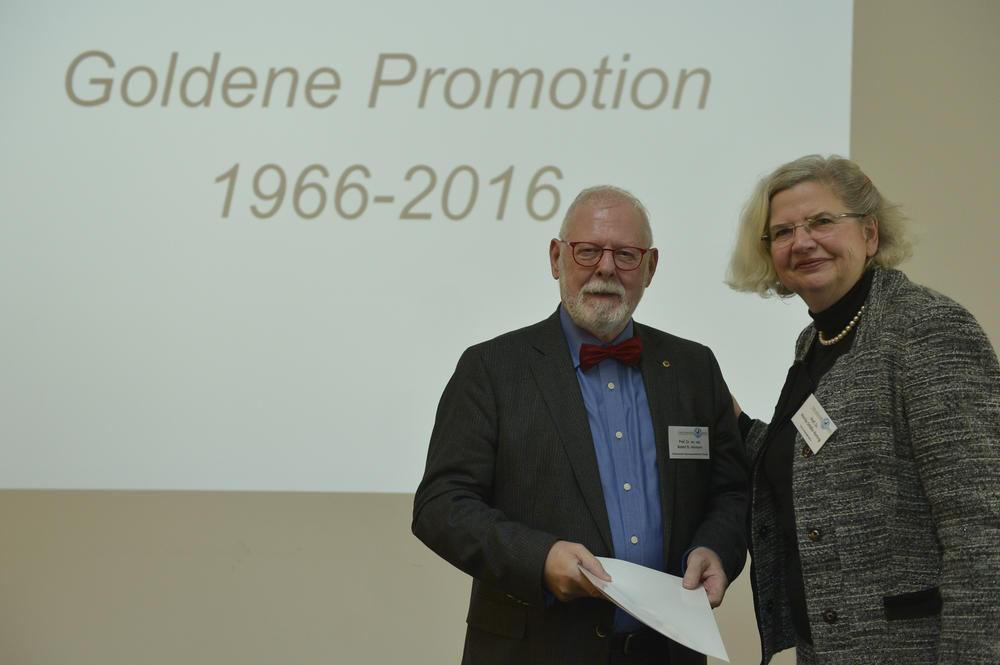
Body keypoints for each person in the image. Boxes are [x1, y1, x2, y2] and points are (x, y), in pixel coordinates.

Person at [413, 185, 748, 665]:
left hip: (667, 653)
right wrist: (540, 559)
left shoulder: (694, 368)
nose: (606, 268)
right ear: (557, 258)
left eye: (626, 255)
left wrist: (716, 548)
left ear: (651, 267)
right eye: (588, 251)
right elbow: (441, 506)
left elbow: (731, 491)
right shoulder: (491, 369)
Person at [726, 154, 1000, 664]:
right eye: (783, 232)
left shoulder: (926, 329)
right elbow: (824, 456)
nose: (802, 242)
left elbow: (982, 527)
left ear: (870, 234)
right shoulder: (815, 340)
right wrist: (737, 424)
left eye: (822, 221)